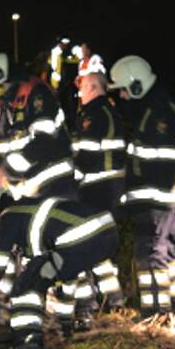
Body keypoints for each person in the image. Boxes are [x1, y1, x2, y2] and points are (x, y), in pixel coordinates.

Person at [0, 184, 118, 349]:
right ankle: (74, 324)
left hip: (80, 236)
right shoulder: (28, 207)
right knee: (59, 271)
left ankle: (27, 342)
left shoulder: (8, 218)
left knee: (27, 284)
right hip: (107, 231)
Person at [109, 55, 175, 319]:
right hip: (157, 200)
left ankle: (157, 312)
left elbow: (161, 164)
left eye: (123, 89)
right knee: (166, 254)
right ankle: (173, 307)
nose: (121, 96)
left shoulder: (157, 113)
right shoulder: (153, 110)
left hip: (156, 202)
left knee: (151, 255)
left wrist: (144, 197)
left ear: (137, 86)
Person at [0, 46, 76, 201]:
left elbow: (45, 144)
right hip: (25, 195)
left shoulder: (35, 94)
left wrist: (5, 169)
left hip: (56, 189)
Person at [70, 71, 126, 312]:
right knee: (100, 246)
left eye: (82, 87)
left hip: (97, 189)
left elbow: (87, 155)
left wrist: (71, 179)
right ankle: (112, 300)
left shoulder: (94, 115)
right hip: (108, 188)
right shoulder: (108, 111)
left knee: (91, 244)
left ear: (92, 87)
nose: (80, 93)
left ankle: (101, 301)